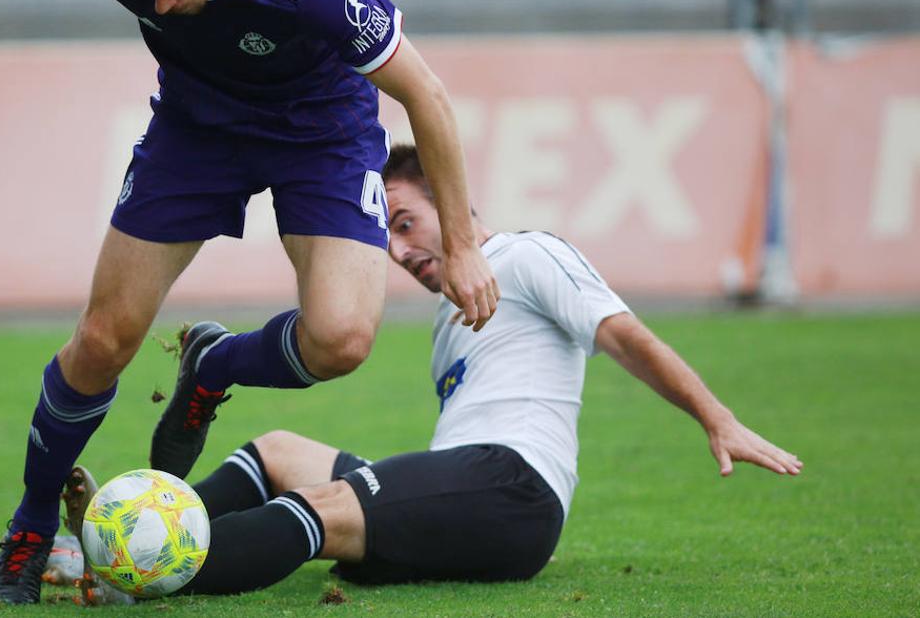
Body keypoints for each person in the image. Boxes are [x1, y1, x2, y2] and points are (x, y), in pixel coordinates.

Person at [0, 0, 499, 604]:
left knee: (342, 340)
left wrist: (460, 243)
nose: (160, 7)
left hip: (317, 130)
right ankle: (34, 527)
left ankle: (215, 367)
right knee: (103, 340)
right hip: (197, 128)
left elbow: (426, 94)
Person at [61, 143, 803, 599]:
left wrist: (718, 417)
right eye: (387, 239)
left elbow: (626, 337)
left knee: (325, 506)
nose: (402, 251)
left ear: (455, 207)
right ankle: (145, 532)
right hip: (469, 490)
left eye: (408, 224)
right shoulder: (454, 321)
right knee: (281, 450)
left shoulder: (526, 255)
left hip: (514, 490)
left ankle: (146, 570)